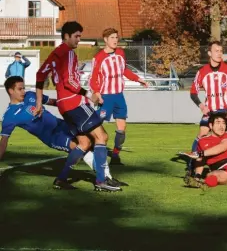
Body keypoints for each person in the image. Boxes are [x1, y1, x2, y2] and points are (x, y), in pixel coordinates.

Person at [35, 21, 120, 192]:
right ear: (66, 36)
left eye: (80, 36)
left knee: (84, 142)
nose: (79, 40)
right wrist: (90, 95)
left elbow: (39, 75)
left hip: (63, 105)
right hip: (74, 102)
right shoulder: (69, 53)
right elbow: (70, 82)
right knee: (101, 137)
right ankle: (101, 181)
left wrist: (39, 102)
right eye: (76, 36)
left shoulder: (55, 53)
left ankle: (61, 179)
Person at [0, 76, 125, 188]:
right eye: (20, 89)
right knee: (84, 145)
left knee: (93, 140)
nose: (23, 91)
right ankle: (102, 178)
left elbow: (54, 102)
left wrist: (71, 106)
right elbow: (4, 141)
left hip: (63, 124)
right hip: (53, 136)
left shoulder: (31, 96)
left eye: (24, 88)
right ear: (11, 91)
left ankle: (103, 178)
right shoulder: (10, 116)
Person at [89, 28, 148, 165]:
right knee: (96, 124)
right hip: (106, 97)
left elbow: (125, 71)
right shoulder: (98, 58)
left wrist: (138, 79)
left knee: (122, 128)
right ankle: (89, 145)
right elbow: (93, 78)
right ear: (105, 40)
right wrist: (97, 93)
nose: (115, 40)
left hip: (119, 96)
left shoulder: (121, 53)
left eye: (116, 37)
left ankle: (115, 155)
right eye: (112, 38)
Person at [188, 41, 227, 175]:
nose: (219, 53)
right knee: (202, 134)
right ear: (209, 53)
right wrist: (202, 106)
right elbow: (193, 92)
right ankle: (192, 165)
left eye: (221, 51)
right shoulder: (202, 72)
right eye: (216, 51)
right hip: (211, 111)